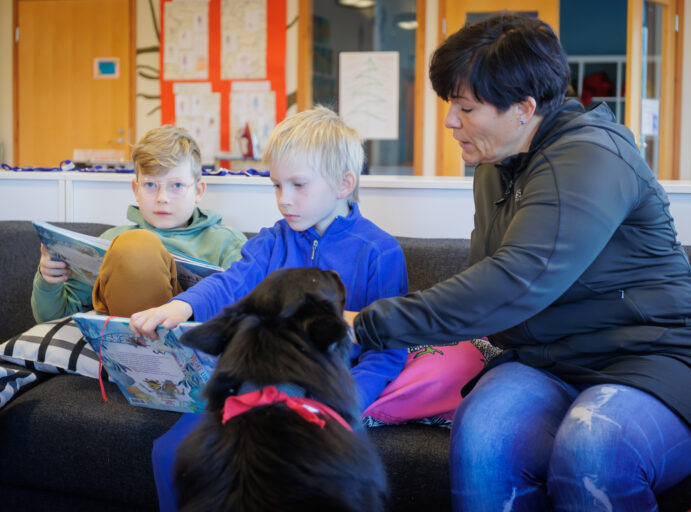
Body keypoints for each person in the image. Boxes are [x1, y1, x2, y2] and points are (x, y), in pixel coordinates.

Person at [350, 12, 691, 512]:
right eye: (451, 105)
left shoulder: (593, 155)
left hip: (651, 359)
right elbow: (483, 277)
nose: (449, 121)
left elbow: (512, 282)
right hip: (545, 362)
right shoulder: (495, 163)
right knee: (483, 435)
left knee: (594, 446)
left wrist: (366, 324)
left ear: (523, 109)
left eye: (465, 107)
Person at [131, 106, 409, 511]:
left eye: (298, 185)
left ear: (344, 183)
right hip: (256, 384)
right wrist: (181, 306)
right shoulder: (272, 241)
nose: (284, 200)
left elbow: (387, 350)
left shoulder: (379, 252)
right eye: (277, 186)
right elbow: (232, 282)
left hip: (329, 391)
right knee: (171, 452)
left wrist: (345, 401)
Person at [31, 125, 247, 322]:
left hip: (191, 347)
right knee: (133, 247)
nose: (162, 197)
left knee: (138, 248)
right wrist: (49, 282)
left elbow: (248, 314)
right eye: (151, 184)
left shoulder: (226, 243)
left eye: (177, 185)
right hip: (121, 347)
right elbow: (53, 318)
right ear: (136, 190)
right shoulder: (112, 242)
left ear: (198, 191)